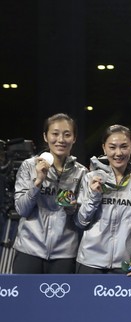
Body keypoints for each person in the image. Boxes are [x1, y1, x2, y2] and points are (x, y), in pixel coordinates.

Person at [12, 113, 88, 273]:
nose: (60, 139)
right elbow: (22, 209)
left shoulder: (81, 173)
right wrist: (38, 182)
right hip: (29, 249)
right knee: (26, 299)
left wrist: (71, 204)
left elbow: (81, 220)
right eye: (55, 133)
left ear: (74, 138)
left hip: (64, 254)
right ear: (45, 137)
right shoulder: (29, 166)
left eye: (67, 134)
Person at [75, 124, 131, 276]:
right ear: (104, 148)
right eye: (112, 147)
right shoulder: (90, 178)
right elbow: (80, 221)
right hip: (90, 262)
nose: (118, 153)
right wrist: (94, 196)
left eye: (124, 147)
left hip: (123, 265)